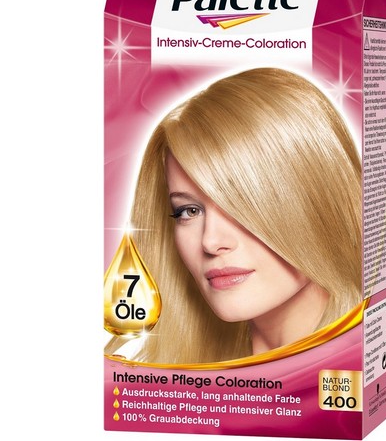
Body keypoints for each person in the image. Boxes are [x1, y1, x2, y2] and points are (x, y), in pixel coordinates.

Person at [106, 67, 362, 364]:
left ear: (321, 201)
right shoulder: (177, 376)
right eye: (189, 211)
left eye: (242, 201)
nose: (211, 242)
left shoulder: (352, 363)